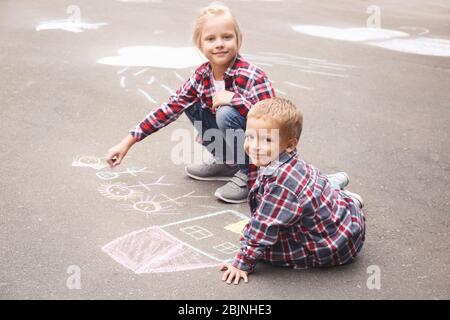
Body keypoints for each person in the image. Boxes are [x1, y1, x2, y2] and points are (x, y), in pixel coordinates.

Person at [106, 3, 275, 203]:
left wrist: (234, 100)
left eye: (227, 37)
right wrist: (127, 142)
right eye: (211, 39)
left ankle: (249, 175)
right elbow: (169, 109)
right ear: (200, 46)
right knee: (191, 104)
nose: (219, 43)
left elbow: (273, 121)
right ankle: (229, 162)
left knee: (226, 113)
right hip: (241, 143)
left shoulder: (251, 75)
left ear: (239, 39)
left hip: (262, 153)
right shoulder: (202, 76)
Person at [219, 97, 366, 285]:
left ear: (290, 144)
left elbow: (262, 230)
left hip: (335, 246)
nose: (254, 145)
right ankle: (341, 192)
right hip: (347, 221)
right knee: (316, 186)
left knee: (267, 251)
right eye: (250, 136)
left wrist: (241, 263)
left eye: (266, 139)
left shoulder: (281, 185)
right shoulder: (286, 160)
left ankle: (340, 191)